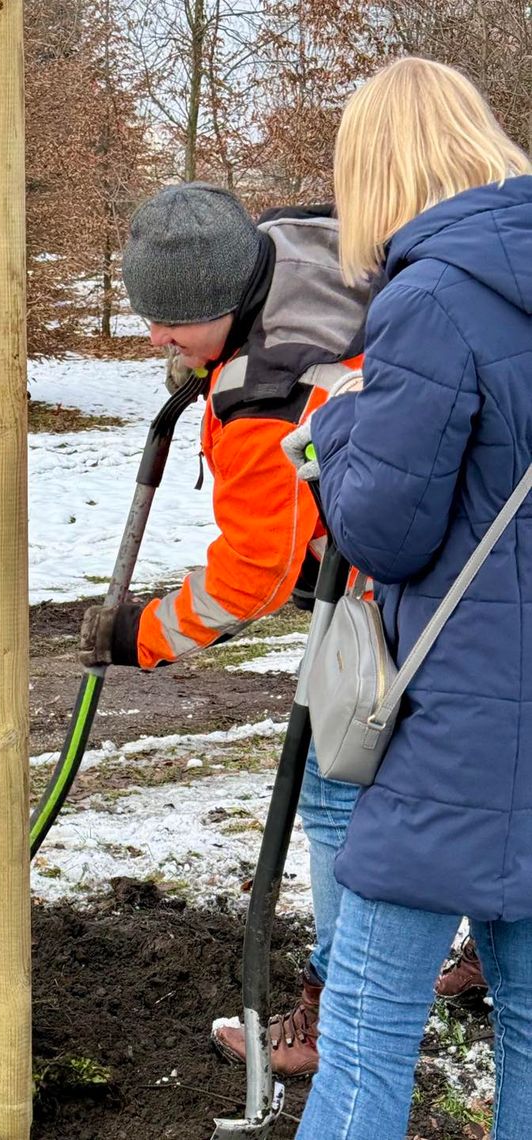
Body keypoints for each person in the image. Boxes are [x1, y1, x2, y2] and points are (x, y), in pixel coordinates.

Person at [282, 58, 532, 1137]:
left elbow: (387, 525)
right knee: (526, 1026)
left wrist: (335, 430)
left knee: (369, 1032)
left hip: (459, 730)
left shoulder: (427, 298)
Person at [77, 182, 372, 1077]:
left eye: (175, 326)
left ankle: (343, 1005)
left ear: (228, 303)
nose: (156, 340)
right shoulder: (290, 240)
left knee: (335, 788)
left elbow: (252, 576)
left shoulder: (264, 401)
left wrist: (144, 635)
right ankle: (491, 946)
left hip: (393, 586)